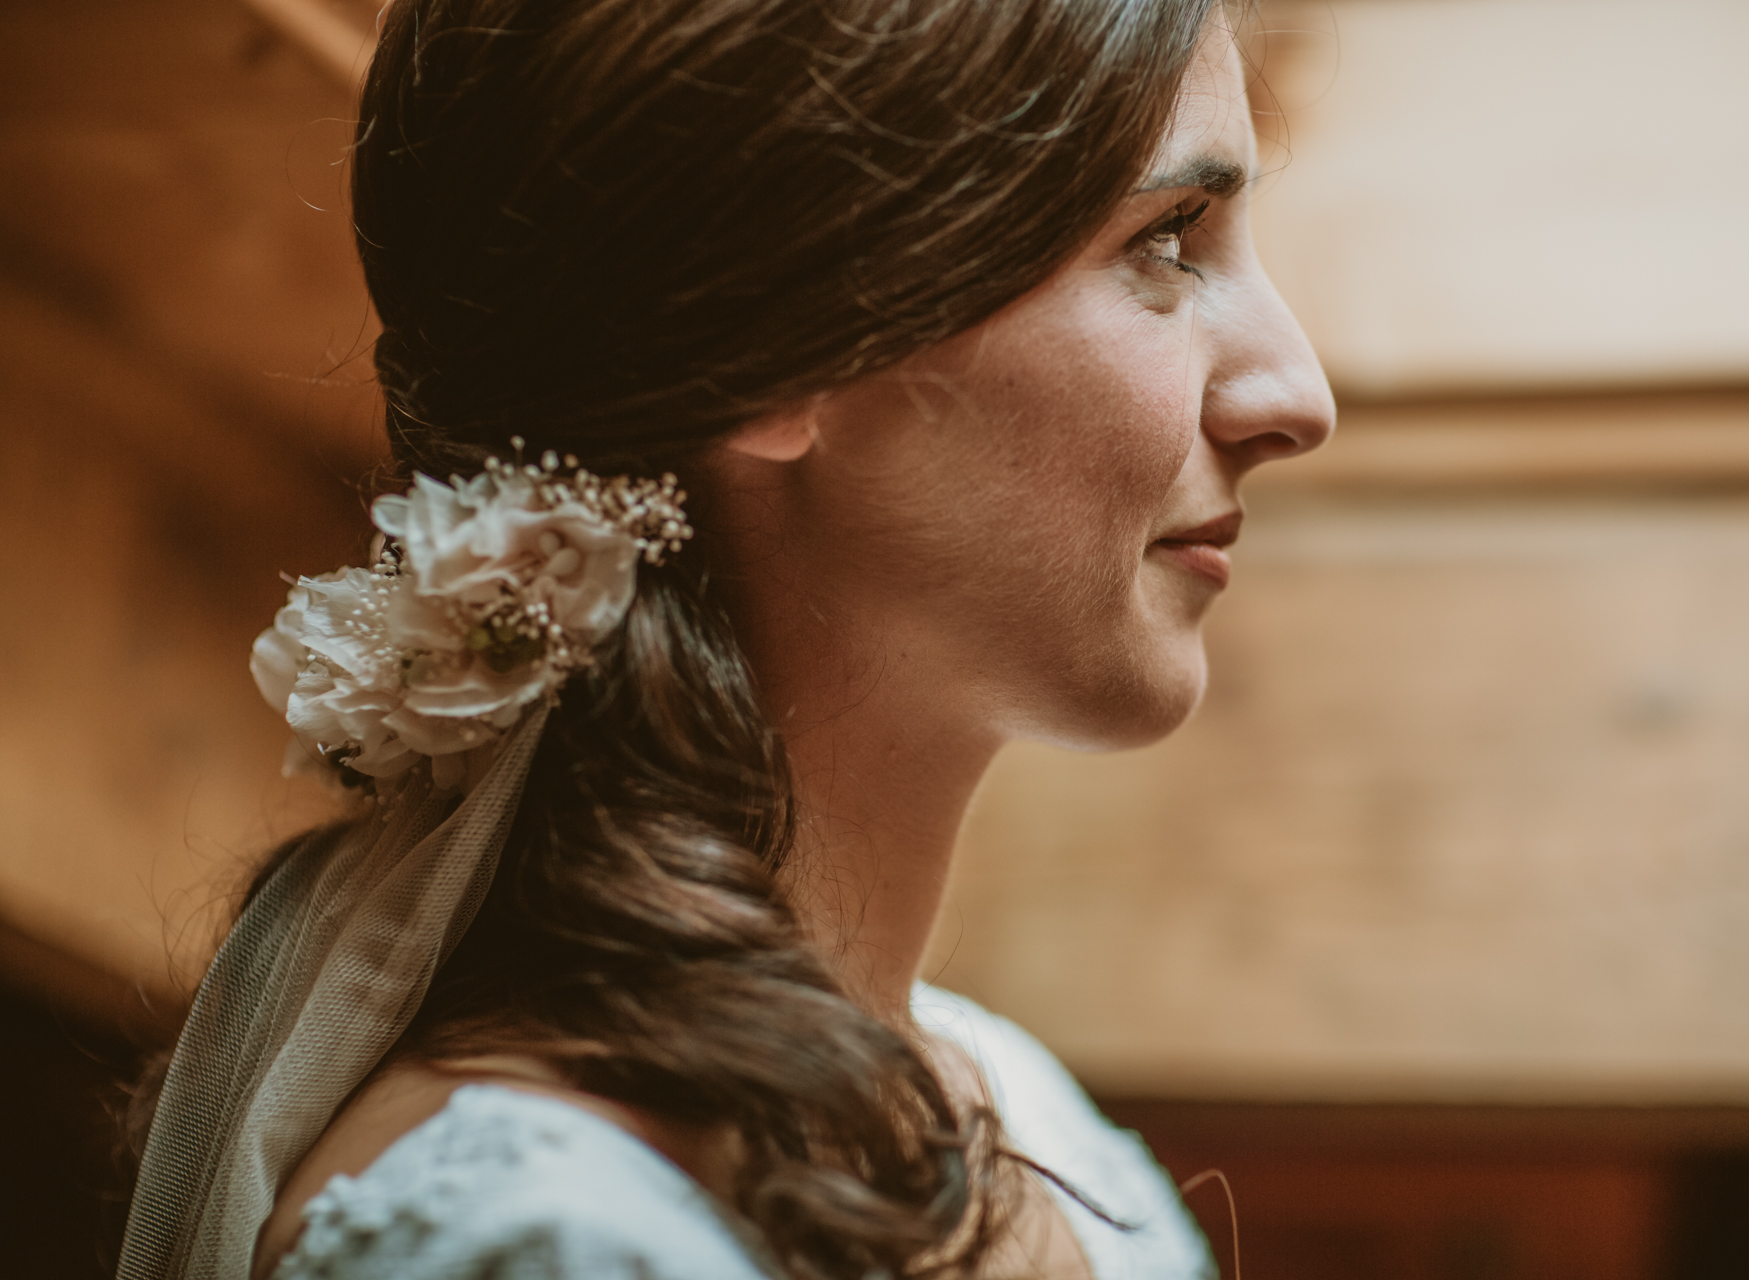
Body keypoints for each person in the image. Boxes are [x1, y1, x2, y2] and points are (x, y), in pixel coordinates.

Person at [118, 0, 1334, 1276]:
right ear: (787, 346)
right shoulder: (543, 1237)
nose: (1297, 395)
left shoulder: (1036, 1124)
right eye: (1168, 239)